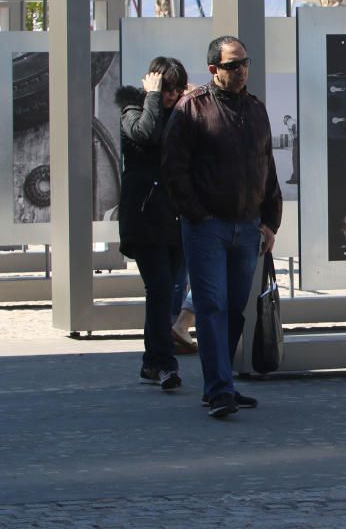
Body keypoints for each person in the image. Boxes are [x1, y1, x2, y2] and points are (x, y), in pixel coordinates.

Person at [162, 35, 282, 419]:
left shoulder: (256, 109)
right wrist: (198, 214)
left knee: (233, 309)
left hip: (247, 228)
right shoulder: (192, 108)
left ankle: (221, 382)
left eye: (245, 62)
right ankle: (218, 390)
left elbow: (268, 167)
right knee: (212, 307)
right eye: (233, 65)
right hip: (207, 228)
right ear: (214, 69)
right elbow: (173, 170)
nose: (241, 70)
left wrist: (269, 222)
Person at [116, 57, 189, 391]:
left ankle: (150, 362)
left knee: (169, 292)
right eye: (167, 88)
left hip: (176, 217)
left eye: (176, 89)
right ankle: (165, 365)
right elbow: (145, 135)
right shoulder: (133, 109)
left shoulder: (182, 114)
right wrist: (151, 97)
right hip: (146, 219)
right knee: (159, 289)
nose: (172, 95)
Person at [283, 114, 299, 185]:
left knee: (295, 159)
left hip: (297, 140)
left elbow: (294, 126)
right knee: (296, 159)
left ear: (287, 118)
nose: (283, 120)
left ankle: (296, 178)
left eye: (284, 118)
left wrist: (295, 136)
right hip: (298, 140)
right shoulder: (293, 120)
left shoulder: (290, 121)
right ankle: (294, 177)